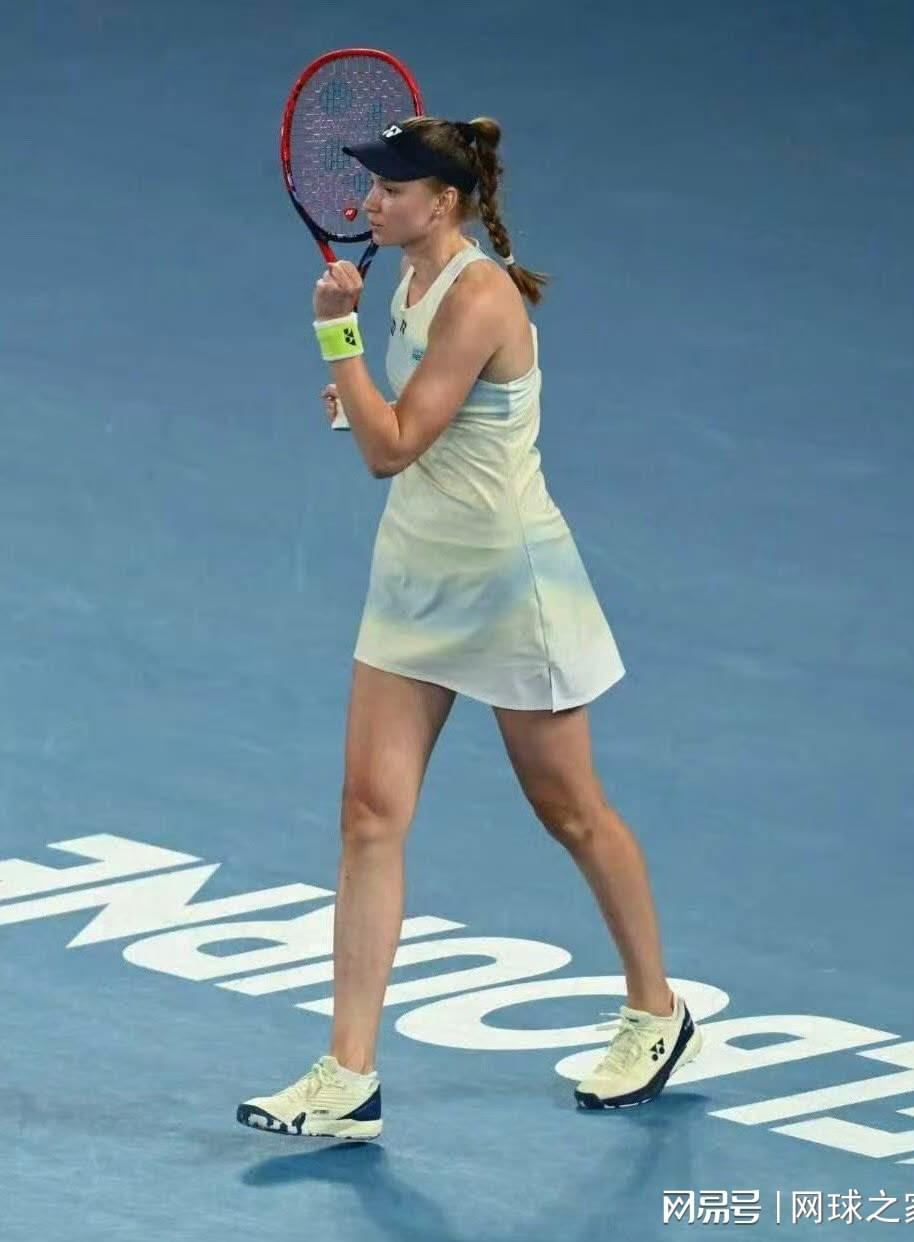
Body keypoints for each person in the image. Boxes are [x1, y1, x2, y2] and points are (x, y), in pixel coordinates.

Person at [236, 116, 701, 1141]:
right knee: (369, 814)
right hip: (416, 579)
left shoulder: (480, 295)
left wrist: (336, 340)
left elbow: (391, 447)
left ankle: (657, 1012)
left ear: (444, 202)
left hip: (510, 588)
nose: (370, 202)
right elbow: (405, 422)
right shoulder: (406, 280)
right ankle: (347, 1076)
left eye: (392, 189)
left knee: (571, 810)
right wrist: (356, 392)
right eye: (371, 186)